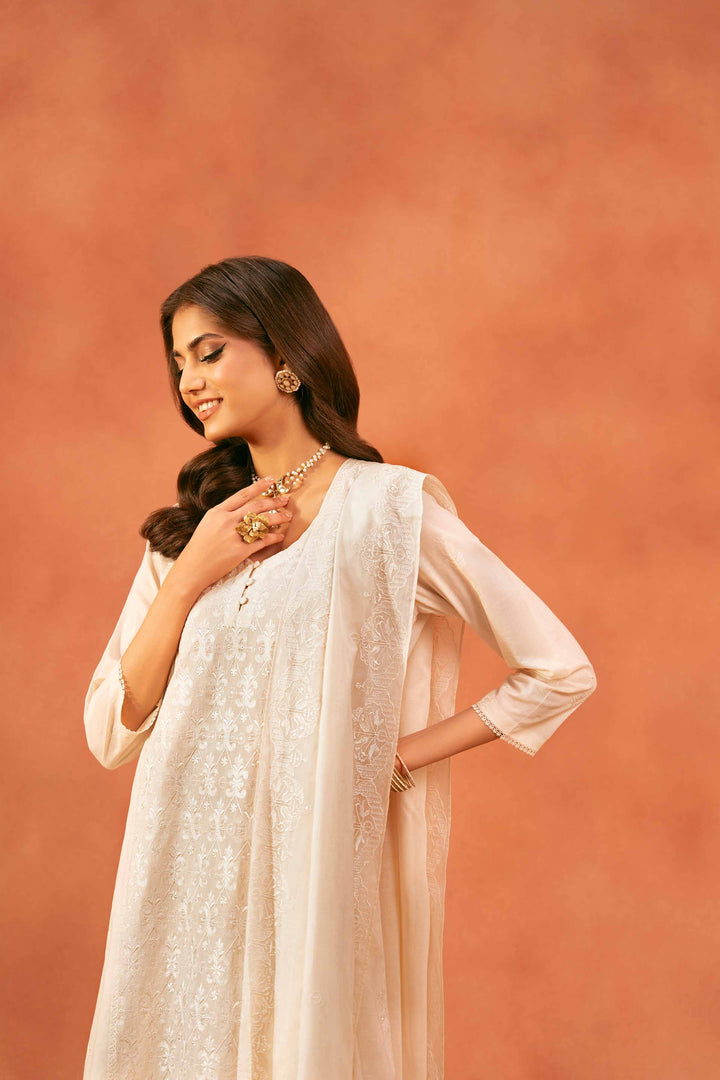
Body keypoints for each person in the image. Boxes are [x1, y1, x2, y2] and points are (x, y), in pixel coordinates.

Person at [82, 256, 597, 1079]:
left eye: (209, 353)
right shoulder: (188, 533)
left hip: (307, 867)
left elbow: (556, 668)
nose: (190, 381)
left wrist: (392, 760)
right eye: (178, 364)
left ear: (285, 355)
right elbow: (113, 729)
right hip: (180, 871)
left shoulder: (386, 512)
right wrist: (188, 574)